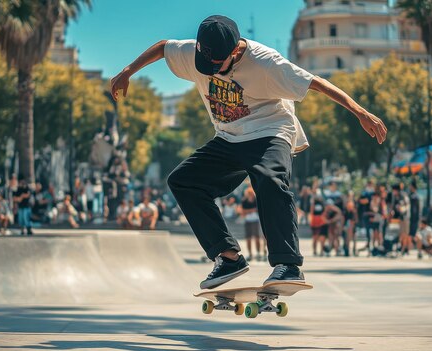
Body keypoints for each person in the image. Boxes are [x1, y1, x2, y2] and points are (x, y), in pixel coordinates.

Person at [110, 15, 387, 289]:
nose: (211, 71)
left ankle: (288, 264)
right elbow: (162, 47)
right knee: (182, 180)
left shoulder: (267, 63)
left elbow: (315, 82)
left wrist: (361, 113)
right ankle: (228, 257)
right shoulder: (193, 52)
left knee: (269, 177)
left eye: (217, 65)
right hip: (229, 137)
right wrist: (128, 71)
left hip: (271, 130)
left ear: (234, 51)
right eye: (205, 65)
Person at [239, 187, 264, 261]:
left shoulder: (256, 200)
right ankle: (250, 254)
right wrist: (252, 210)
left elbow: (259, 210)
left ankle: (258, 253)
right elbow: (243, 212)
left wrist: (248, 211)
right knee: (248, 238)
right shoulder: (244, 201)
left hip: (256, 220)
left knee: (257, 237)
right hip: (248, 220)